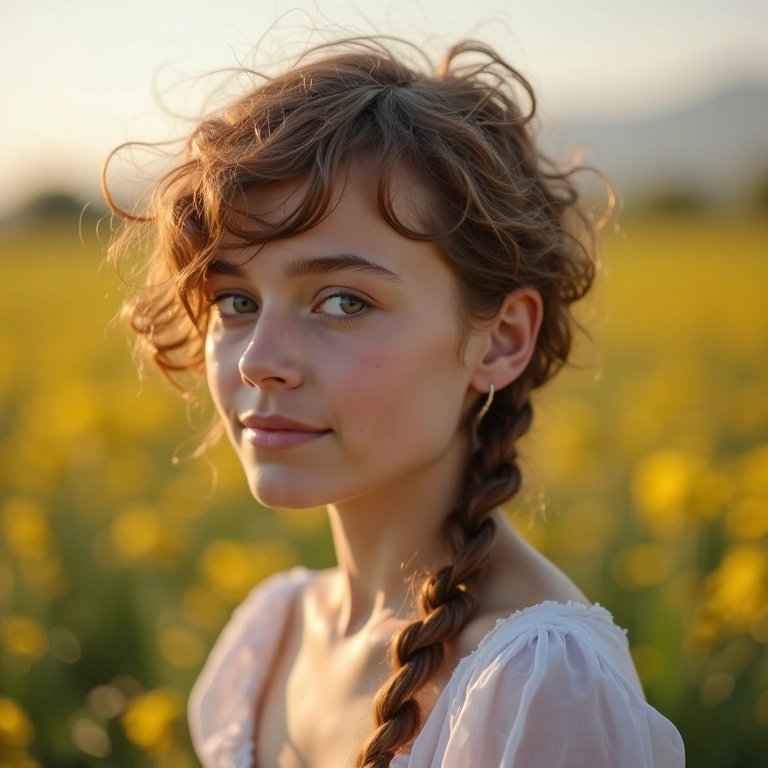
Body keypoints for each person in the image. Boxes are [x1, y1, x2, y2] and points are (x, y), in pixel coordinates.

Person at [103, 35, 685, 768]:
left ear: (502, 340)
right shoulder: (272, 635)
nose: (257, 361)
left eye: (343, 301)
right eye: (236, 301)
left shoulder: (536, 685)